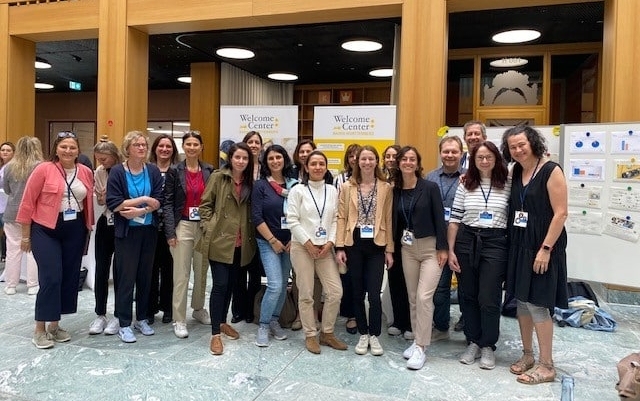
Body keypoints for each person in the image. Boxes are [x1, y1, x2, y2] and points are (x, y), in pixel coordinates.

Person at [502, 125, 568, 385]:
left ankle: (547, 365)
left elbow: (561, 213)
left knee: (538, 304)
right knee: (522, 301)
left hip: (543, 247)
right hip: (520, 244)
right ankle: (528, 355)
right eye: (512, 147)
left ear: (533, 143)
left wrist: (545, 249)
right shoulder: (517, 170)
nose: (517, 150)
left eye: (522, 145)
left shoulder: (552, 170)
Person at [17, 131, 94, 349]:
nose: (68, 151)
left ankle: (55, 325)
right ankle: (39, 329)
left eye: (72, 147)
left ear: (78, 150)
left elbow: (88, 200)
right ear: (56, 149)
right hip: (45, 229)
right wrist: (25, 235)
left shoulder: (85, 172)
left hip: (75, 229)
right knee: (51, 277)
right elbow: (27, 202)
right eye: (64, 147)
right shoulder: (44, 169)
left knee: (68, 277)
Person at [447, 141, 510, 370]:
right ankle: (472, 341)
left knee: (489, 296)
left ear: (496, 158)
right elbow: (454, 219)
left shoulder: (507, 182)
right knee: (468, 294)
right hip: (466, 240)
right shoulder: (466, 183)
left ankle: (488, 345)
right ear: (473, 161)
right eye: (479, 157)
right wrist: (452, 250)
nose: (484, 161)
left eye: (488, 157)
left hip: (495, 243)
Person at [197, 142, 256, 356]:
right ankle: (215, 335)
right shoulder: (218, 177)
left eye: (245, 158)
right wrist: (208, 225)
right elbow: (205, 205)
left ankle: (222, 321)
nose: (241, 161)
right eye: (237, 157)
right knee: (220, 285)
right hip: (220, 240)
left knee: (231, 285)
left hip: (241, 242)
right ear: (230, 158)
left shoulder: (250, 182)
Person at [392, 146, 447, 370]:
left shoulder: (430, 187)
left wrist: (443, 248)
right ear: (399, 163)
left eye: (412, 159)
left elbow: (439, 217)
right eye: (404, 159)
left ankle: (422, 347)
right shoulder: (394, 190)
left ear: (418, 163)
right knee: (413, 297)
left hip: (430, 248)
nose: (408, 162)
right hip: (407, 248)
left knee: (425, 297)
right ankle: (416, 340)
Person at [287, 150, 347, 354]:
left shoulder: (332, 190)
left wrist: (330, 242)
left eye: (322, 163)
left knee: (335, 291)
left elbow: (335, 219)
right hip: (302, 247)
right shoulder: (298, 190)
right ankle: (310, 334)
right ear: (306, 167)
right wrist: (308, 243)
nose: (318, 167)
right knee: (306, 294)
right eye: (313, 164)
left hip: (325, 248)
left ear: (326, 167)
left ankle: (327, 332)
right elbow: (292, 220)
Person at [335, 145, 393, 356]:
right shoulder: (347, 187)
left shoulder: (386, 187)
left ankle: (375, 334)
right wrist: (339, 246)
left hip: (377, 244)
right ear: (357, 162)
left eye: (371, 159)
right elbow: (341, 217)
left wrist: (390, 250)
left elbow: (388, 218)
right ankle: (363, 332)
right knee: (357, 292)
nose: (367, 162)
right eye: (363, 159)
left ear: (377, 162)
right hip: (354, 243)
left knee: (374, 294)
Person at [106, 130, 163, 343]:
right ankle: (123, 323)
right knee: (126, 278)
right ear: (127, 148)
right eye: (137, 145)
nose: (141, 148)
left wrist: (141, 210)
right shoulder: (118, 173)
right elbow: (114, 203)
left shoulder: (153, 171)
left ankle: (142, 318)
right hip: (126, 233)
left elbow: (158, 201)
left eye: (144, 145)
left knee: (145, 276)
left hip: (148, 231)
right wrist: (144, 199)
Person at [163, 131, 214, 338]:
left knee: (201, 271)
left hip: (203, 226)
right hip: (182, 225)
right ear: (184, 147)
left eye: (196, 144)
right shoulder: (175, 171)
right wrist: (169, 232)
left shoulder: (210, 170)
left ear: (201, 147)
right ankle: (179, 318)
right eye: (188, 144)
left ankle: (198, 308)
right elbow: (167, 202)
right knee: (181, 274)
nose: (192, 147)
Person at [251, 144, 298, 347]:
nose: (275, 161)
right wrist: (273, 241)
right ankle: (262, 325)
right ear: (266, 162)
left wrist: (292, 240)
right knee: (275, 284)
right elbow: (256, 216)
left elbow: (301, 215)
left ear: (284, 159)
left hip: (290, 243)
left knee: (282, 287)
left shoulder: (294, 185)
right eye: (271, 158)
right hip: (268, 242)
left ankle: (274, 320)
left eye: (278, 157)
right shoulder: (260, 186)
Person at [426, 136, 466, 343]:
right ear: (440, 153)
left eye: (454, 151)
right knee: (440, 289)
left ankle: (469, 326)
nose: (450, 155)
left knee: (467, 288)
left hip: (464, 242)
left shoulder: (470, 178)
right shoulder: (430, 178)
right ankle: (441, 327)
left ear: (461, 153)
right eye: (446, 151)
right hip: (438, 243)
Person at [88, 136, 123, 335]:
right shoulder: (100, 172)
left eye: (104, 159)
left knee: (120, 271)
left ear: (114, 155)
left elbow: (122, 199)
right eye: (98, 159)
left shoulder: (125, 170)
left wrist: (108, 196)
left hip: (123, 222)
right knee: (102, 268)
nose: (101, 163)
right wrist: (103, 197)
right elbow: (102, 201)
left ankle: (119, 315)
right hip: (106, 222)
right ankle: (100, 314)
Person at [229, 131, 264, 325]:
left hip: (259, 228)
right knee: (238, 273)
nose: (253, 145)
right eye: (249, 141)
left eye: (257, 142)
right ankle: (238, 310)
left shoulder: (265, 169)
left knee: (256, 273)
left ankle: (251, 308)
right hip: (238, 228)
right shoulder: (238, 167)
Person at [2, 137, 40, 295]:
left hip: (12, 213)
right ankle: (33, 285)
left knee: (12, 251)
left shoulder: (9, 166)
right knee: (33, 250)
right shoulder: (39, 166)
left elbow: (7, 189)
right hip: (33, 214)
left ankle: (11, 285)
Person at [148, 134, 179, 325]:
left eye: (169, 146)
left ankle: (168, 308)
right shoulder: (147, 170)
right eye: (161, 146)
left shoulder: (177, 171)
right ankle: (149, 309)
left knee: (169, 269)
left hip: (171, 228)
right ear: (155, 149)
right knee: (150, 270)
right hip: (149, 226)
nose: (165, 149)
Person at [333, 143, 360, 335]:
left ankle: (357, 312)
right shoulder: (339, 179)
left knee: (360, 276)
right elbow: (336, 209)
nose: (355, 159)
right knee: (346, 275)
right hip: (344, 233)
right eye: (351, 156)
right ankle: (349, 312)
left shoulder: (373, 179)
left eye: (359, 156)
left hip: (365, 235)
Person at [0, 141, 15, 262]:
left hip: (7, 205)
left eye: (8, 150)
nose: (5, 152)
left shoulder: (13, 167)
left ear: (13, 153)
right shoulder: (1, 167)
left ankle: (6, 257)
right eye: (3, 150)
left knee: (7, 233)